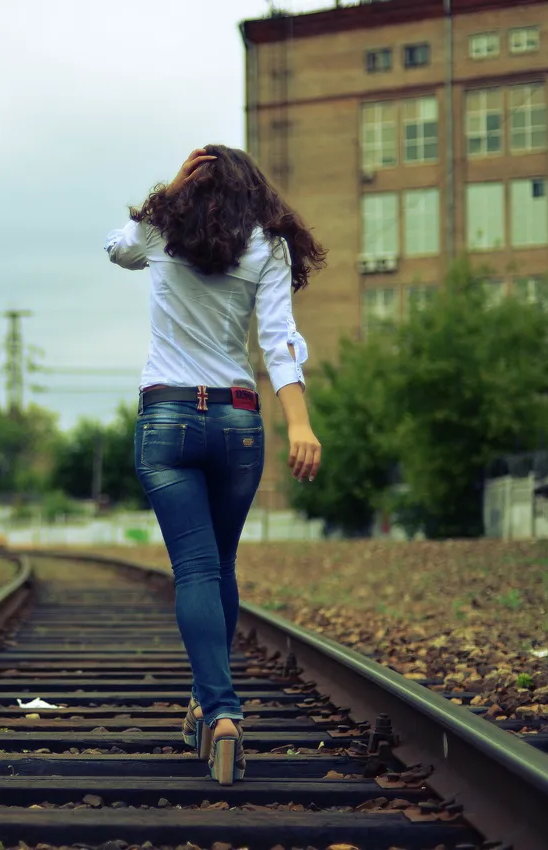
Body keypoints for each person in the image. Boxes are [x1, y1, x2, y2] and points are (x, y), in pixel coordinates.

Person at [104, 145, 325, 785]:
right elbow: (280, 341)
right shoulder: (269, 246)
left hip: (168, 419)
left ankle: (219, 711)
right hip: (236, 422)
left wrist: (166, 191)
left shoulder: (161, 233)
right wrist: (300, 423)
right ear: (254, 191)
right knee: (219, 566)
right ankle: (210, 705)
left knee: (196, 569)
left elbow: (117, 248)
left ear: (191, 187)